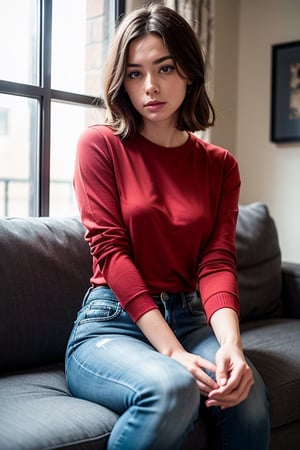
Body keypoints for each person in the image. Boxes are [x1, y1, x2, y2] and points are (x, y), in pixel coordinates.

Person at [65, 4, 270, 450]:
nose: (151, 86)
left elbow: (217, 261)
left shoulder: (220, 167)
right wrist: (173, 354)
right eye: (135, 74)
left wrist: (231, 346)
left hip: (192, 316)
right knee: (172, 387)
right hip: (113, 322)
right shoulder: (99, 145)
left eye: (165, 68)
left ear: (190, 73)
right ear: (122, 81)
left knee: (247, 396)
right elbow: (110, 253)